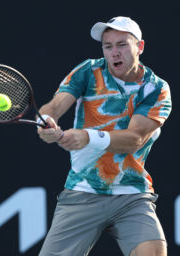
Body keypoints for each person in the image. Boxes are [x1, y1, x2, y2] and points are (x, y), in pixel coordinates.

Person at [37, 16, 172, 256]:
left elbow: (134, 139)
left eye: (122, 45)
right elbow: (55, 106)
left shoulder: (155, 88)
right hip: (83, 191)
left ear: (140, 47)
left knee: (153, 252)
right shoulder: (88, 72)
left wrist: (89, 137)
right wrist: (47, 120)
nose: (114, 53)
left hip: (131, 194)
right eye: (108, 46)